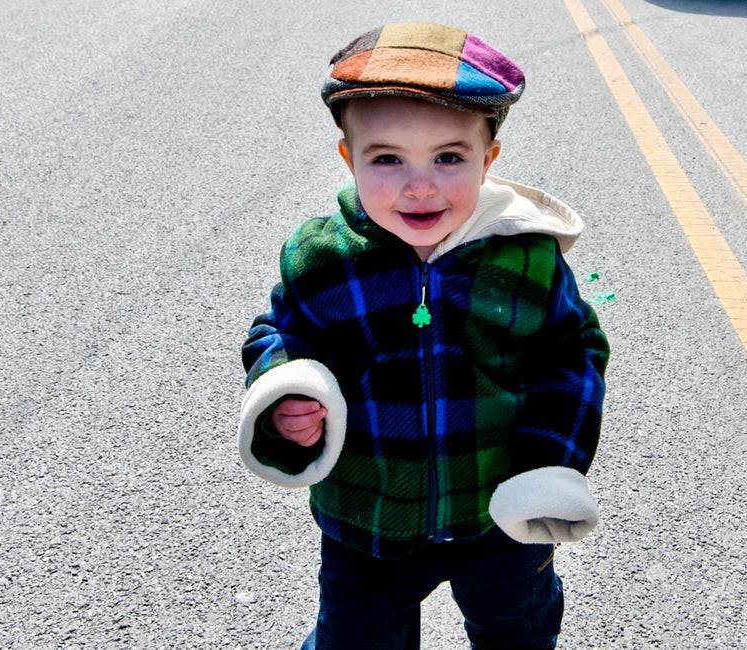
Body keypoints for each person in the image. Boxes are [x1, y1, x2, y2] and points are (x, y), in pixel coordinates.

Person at [238, 21, 610, 649]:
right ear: (347, 157)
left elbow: (571, 356)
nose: (419, 185)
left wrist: (548, 462)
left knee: (516, 628)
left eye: (449, 157)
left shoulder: (524, 259)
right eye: (387, 158)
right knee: (356, 638)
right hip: (368, 516)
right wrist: (283, 394)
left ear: (487, 159)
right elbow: (281, 332)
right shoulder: (323, 258)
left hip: (500, 515)